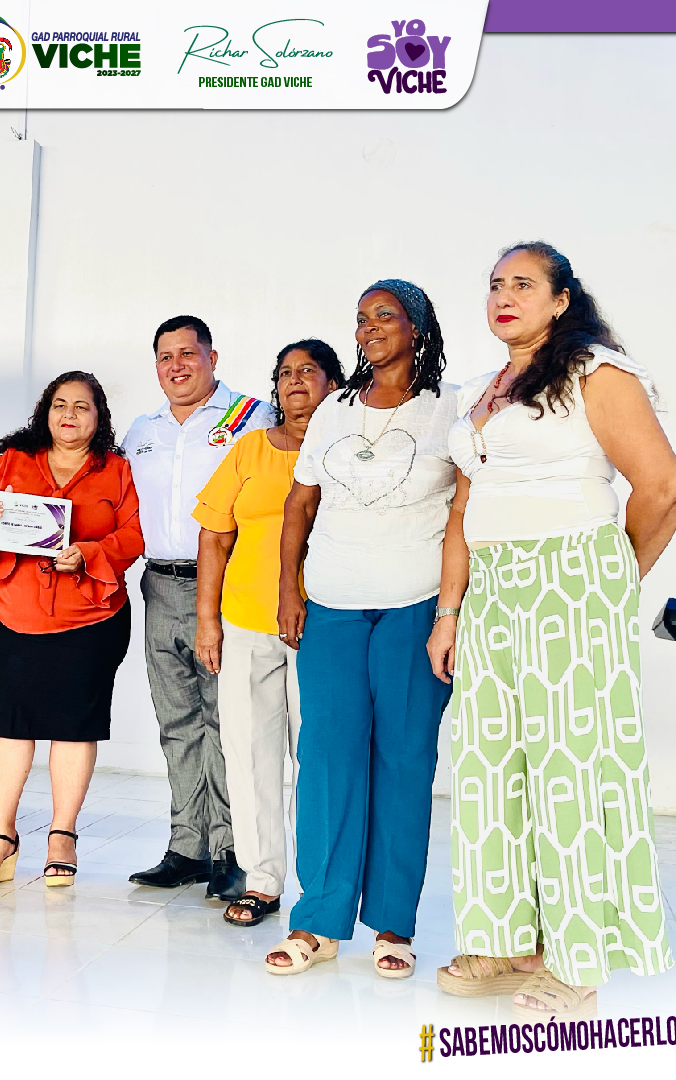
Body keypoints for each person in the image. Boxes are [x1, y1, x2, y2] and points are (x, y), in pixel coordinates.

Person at [430, 242, 676, 1014]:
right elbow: (463, 508)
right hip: (492, 591)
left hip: (571, 579)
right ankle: (509, 940)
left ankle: (578, 960)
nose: (504, 296)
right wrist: (449, 612)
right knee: (489, 768)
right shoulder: (485, 390)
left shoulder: (595, 373)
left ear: (561, 298)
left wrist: (610, 578)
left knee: (568, 769)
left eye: (523, 284)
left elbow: (663, 485)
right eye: (495, 285)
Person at [265, 280, 457, 977]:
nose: (370, 327)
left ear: (418, 328)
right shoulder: (335, 410)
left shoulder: (452, 408)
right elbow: (299, 504)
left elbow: (467, 511)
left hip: (415, 605)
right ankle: (317, 921)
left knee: (404, 763)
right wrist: (289, 588)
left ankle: (393, 924)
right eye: (361, 319)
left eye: (385, 315)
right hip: (333, 605)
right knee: (326, 759)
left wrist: (451, 612)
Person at [0, 371, 143, 890]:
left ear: (99, 418)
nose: (69, 414)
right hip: (13, 613)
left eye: (82, 406)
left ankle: (63, 835)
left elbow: (133, 534)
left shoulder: (117, 470)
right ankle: (0, 839)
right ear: (46, 411)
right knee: (8, 725)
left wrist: (88, 553)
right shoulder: (14, 461)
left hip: (90, 618)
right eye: (61, 404)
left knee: (74, 726)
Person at [122, 315, 274, 901]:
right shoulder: (143, 430)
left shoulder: (250, 417)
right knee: (177, 722)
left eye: (188, 353)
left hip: (225, 585)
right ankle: (187, 846)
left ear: (213, 357)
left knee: (226, 722)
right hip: (159, 585)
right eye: (166, 357)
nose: (177, 366)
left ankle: (232, 851)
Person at [194, 340, 344, 927]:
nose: (295, 381)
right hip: (245, 621)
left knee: (318, 756)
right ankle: (261, 881)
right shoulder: (251, 448)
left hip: (324, 624)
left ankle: (320, 884)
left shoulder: (346, 448)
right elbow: (215, 535)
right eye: (285, 373)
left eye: (308, 370)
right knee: (249, 754)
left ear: (334, 383)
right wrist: (207, 620)